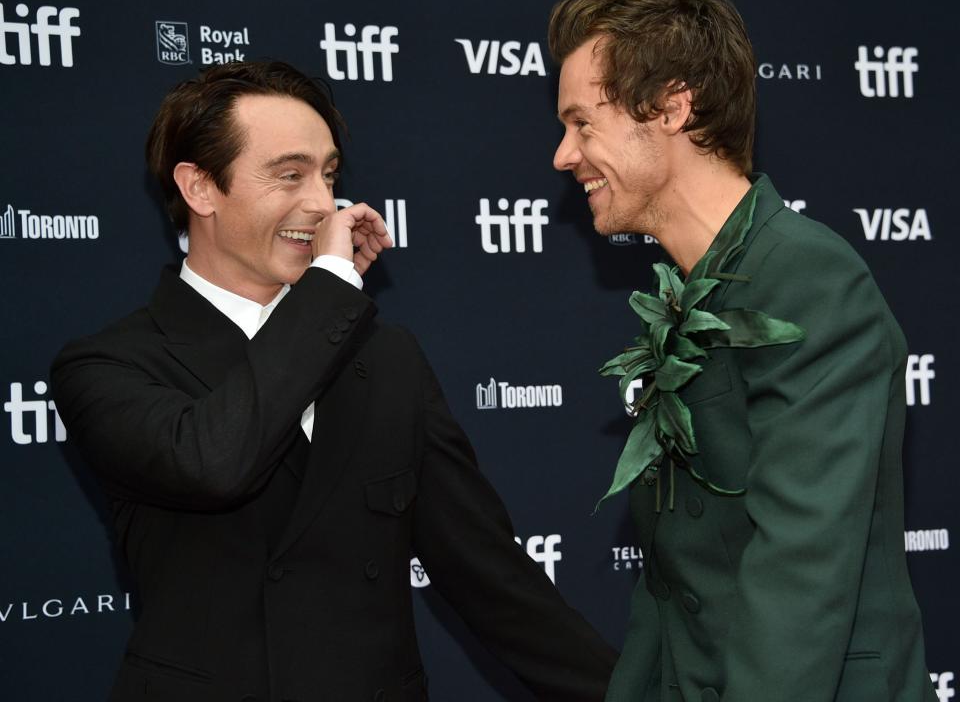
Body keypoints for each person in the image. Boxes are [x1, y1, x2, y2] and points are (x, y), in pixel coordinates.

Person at [51, 60, 616, 702]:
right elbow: (215, 461)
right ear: (200, 187)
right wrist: (327, 294)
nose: (322, 204)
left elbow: (492, 578)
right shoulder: (109, 364)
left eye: (328, 176)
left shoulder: (388, 359)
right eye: (289, 175)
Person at [548, 0, 936, 700]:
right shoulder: (686, 297)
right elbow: (670, 592)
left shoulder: (810, 279)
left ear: (670, 106)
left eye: (580, 123)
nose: (563, 155)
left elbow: (801, 575)